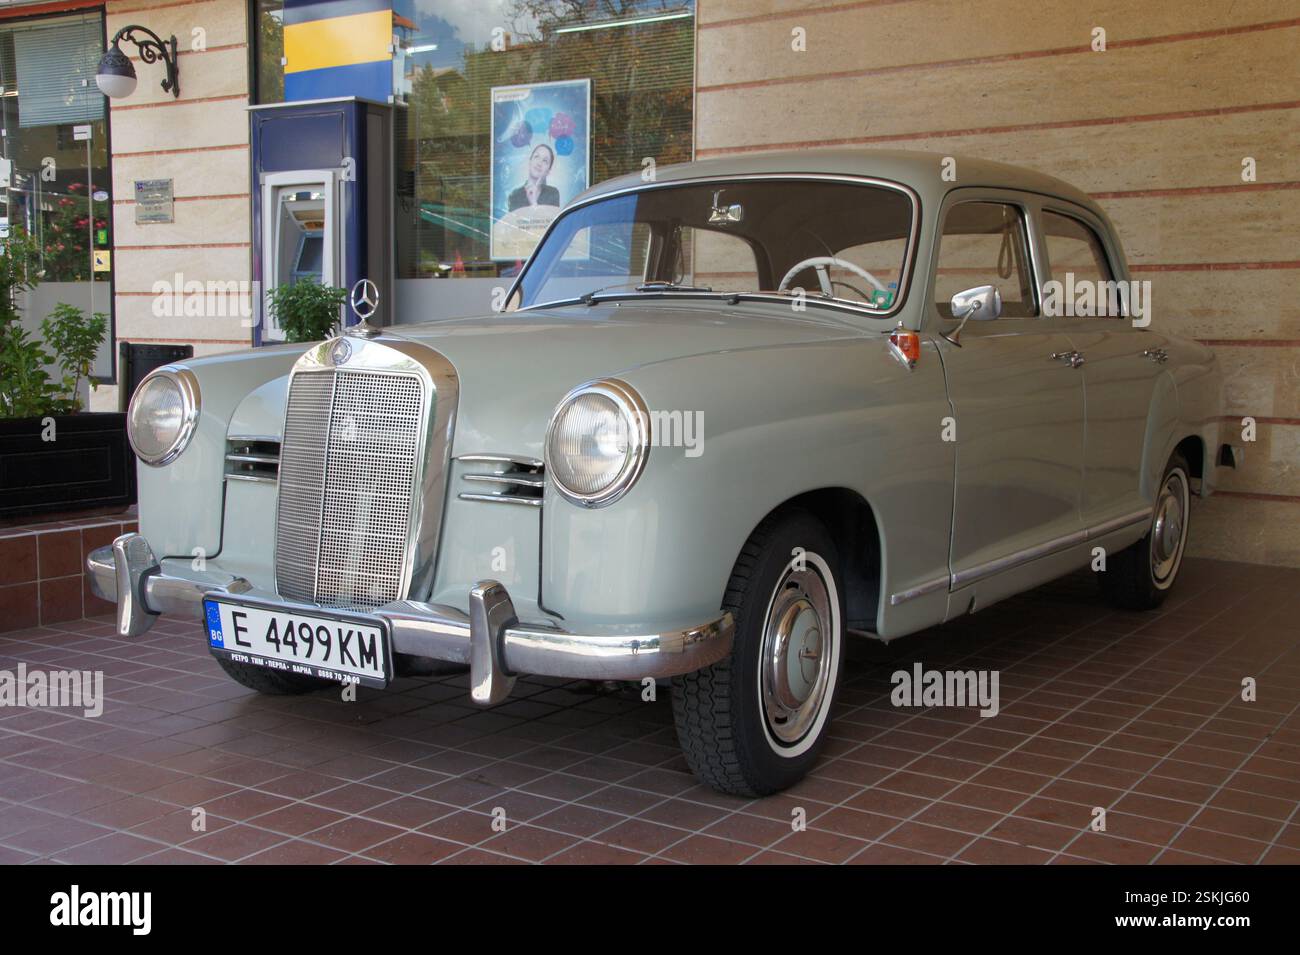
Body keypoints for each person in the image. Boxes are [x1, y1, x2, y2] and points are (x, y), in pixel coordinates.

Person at [507, 144, 560, 211]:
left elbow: (552, 220)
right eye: (536, 156)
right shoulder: (514, 196)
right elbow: (513, 220)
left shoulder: (553, 193)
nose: (539, 163)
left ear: (548, 171)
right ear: (529, 161)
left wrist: (534, 203)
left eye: (545, 160)